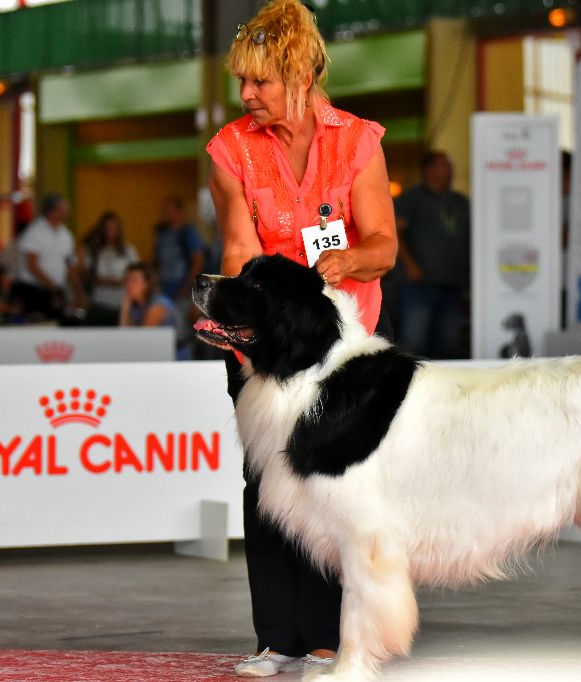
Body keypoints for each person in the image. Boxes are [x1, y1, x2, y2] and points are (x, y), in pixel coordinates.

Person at [205, 0, 398, 676]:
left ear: (300, 72)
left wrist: (344, 261)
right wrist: (242, 344)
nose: (246, 95)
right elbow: (237, 246)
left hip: (344, 347)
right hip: (264, 348)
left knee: (334, 485)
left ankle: (329, 638)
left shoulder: (359, 141)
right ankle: (276, 637)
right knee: (266, 483)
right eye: (241, 81)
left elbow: (384, 245)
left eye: (259, 81)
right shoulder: (231, 149)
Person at [394, 151, 471, 358]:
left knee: (448, 346)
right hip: (419, 284)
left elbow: (470, 239)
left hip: (452, 284)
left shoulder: (460, 202)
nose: (449, 171)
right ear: (428, 170)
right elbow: (394, 232)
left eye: (450, 166)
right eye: (443, 166)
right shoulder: (412, 198)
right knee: (414, 343)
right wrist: (410, 265)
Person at [10, 193, 87, 321]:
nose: (67, 212)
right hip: (33, 290)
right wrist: (53, 287)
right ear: (52, 211)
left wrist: (78, 294)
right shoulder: (36, 232)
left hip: (54, 291)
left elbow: (69, 267)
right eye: (63, 209)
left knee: (57, 323)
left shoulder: (66, 235)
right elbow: (32, 265)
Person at [153, 197, 204, 359]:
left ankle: (184, 362)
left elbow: (198, 260)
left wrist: (188, 287)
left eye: (169, 208)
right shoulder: (163, 234)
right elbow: (157, 262)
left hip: (183, 290)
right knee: (164, 330)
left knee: (182, 332)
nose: (165, 213)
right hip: (165, 290)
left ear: (179, 211)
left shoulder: (188, 233)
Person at [79, 211, 139, 326]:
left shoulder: (128, 251)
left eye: (113, 227)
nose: (110, 230)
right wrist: (100, 280)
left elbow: (136, 273)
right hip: (99, 302)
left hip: (120, 303)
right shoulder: (95, 250)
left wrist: (123, 281)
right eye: (107, 227)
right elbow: (86, 272)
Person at [119, 262, 180, 334]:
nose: (128, 284)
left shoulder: (159, 303)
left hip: (178, 344)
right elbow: (124, 335)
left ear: (146, 284)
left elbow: (143, 337)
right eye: (127, 280)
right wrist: (125, 309)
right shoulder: (134, 307)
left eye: (134, 280)